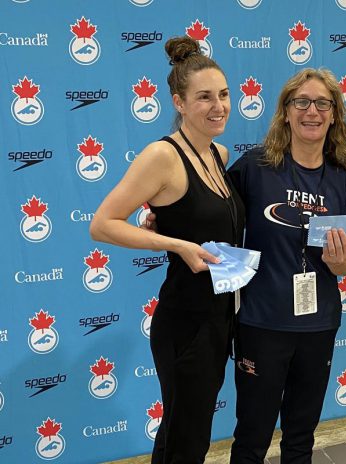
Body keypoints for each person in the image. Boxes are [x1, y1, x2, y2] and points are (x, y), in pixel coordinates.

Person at [90, 36, 244, 463]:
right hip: (186, 323)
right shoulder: (162, 155)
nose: (219, 106)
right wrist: (174, 243)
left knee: (190, 435)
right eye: (204, 98)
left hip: (221, 317)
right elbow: (102, 224)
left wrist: (165, 224)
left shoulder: (219, 152)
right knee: (183, 437)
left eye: (224, 95)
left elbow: (194, 216)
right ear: (178, 101)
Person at [227, 68, 346, 462]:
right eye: (301, 102)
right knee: (251, 438)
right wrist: (163, 220)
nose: (312, 111)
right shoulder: (255, 167)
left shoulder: (343, 182)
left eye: (323, 103)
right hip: (262, 323)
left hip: (318, 326)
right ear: (285, 111)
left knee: (301, 439)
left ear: (335, 115)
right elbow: (212, 214)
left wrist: (342, 262)